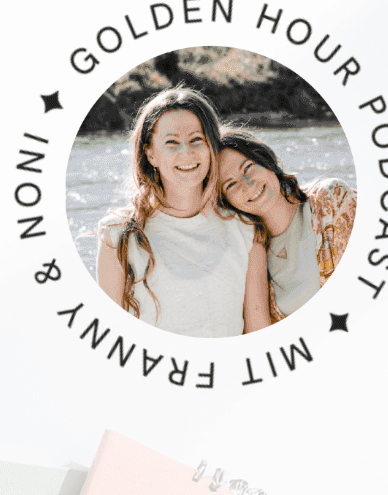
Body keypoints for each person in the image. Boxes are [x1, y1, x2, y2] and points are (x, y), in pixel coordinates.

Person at [96, 88, 270, 337]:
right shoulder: (118, 235)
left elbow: (258, 333)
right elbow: (111, 339)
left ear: (212, 147)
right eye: (172, 142)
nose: (186, 152)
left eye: (197, 139)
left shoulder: (246, 229)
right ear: (150, 154)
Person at [217, 129, 358, 321]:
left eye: (248, 167)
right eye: (230, 185)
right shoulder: (251, 254)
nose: (247, 184)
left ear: (264, 159)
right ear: (226, 201)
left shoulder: (332, 199)